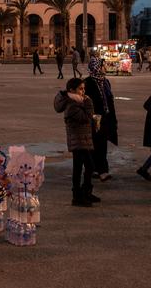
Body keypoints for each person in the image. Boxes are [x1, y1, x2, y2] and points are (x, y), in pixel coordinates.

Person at [54, 77, 100, 207]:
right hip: (78, 141)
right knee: (86, 167)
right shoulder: (72, 105)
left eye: (84, 88)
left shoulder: (78, 102)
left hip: (83, 139)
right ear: (71, 90)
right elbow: (86, 117)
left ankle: (84, 193)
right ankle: (79, 195)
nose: (83, 92)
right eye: (80, 89)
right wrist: (88, 104)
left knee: (81, 167)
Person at [84, 56, 117, 181]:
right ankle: (99, 170)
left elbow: (110, 100)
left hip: (106, 117)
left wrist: (113, 118)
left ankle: (99, 169)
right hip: (94, 119)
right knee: (95, 145)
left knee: (102, 144)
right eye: (103, 65)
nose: (105, 67)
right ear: (97, 67)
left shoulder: (105, 82)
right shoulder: (88, 83)